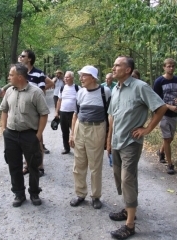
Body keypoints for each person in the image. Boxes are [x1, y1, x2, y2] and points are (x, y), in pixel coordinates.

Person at [106, 56, 167, 239]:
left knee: (127, 180)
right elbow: (112, 117)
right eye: (114, 64)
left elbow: (161, 107)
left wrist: (147, 128)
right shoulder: (115, 89)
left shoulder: (140, 87)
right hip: (117, 141)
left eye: (118, 65)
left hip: (131, 143)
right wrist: (109, 141)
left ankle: (130, 225)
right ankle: (127, 209)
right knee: (119, 177)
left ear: (128, 70)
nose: (114, 67)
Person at [0, 63, 49, 207]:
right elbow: (4, 110)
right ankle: (19, 194)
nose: (9, 77)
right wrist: (4, 130)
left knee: (33, 166)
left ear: (20, 77)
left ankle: (34, 193)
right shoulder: (9, 91)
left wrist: (38, 135)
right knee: (13, 165)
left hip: (29, 135)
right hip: (11, 134)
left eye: (11, 74)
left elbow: (43, 114)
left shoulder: (36, 92)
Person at [69, 65, 111, 209]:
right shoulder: (80, 92)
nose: (80, 78)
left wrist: (108, 137)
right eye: (80, 75)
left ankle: (95, 196)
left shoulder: (105, 92)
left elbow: (110, 116)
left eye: (84, 76)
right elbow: (76, 114)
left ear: (93, 78)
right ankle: (80, 194)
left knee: (95, 165)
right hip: (80, 128)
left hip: (97, 128)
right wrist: (72, 134)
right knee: (78, 164)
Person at [17, 49, 52, 177]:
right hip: (22, 110)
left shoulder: (38, 74)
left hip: (35, 111)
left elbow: (42, 91)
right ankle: (27, 165)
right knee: (25, 138)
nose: (20, 57)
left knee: (37, 138)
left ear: (29, 59)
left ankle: (40, 166)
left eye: (23, 56)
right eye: (20, 56)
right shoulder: (21, 73)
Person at [153, 58, 177, 174]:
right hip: (162, 113)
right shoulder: (159, 81)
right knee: (166, 138)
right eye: (169, 66)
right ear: (164, 67)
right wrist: (169, 107)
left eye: (173, 66)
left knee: (170, 139)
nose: (171, 68)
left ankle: (161, 152)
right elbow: (155, 100)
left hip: (174, 114)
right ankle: (170, 164)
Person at [55, 71, 80, 154]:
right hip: (63, 112)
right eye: (65, 77)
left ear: (72, 78)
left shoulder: (77, 88)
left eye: (67, 77)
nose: (65, 78)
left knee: (75, 131)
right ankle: (66, 148)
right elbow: (59, 100)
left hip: (74, 113)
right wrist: (56, 112)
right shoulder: (62, 88)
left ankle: (77, 148)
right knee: (64, 131)